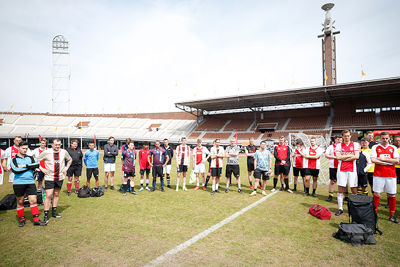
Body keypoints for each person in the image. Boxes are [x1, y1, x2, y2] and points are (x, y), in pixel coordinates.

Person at [10, 142, 46, 227]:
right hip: (18, 183)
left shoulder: (30, 158)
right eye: (23, 148)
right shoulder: (13, 159)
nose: (25, 150)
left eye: (26, 148)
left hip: (30, 182)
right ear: (19, 148)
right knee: (20, 201)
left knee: (33, 200)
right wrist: (30, 167)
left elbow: (37, 164)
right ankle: (22, 219)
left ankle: (36, 220)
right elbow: (16, 170)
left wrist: (24, 165)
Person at [36, 138, 72, 224]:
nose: (57, 146)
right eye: (56, 145)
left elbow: (70, 159)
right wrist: (41, 169)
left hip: (60, 177)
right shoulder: (46, 152)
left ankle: (54, 212)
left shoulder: (63, 152)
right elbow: (36, 160)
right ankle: (46, 214)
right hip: (49, 177)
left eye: (59, 145)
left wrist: (66, 167)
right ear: (52, 144)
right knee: (48, 195)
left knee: (56, 194)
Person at [371, 132, 400, 223]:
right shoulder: (375, 147)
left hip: (391, 175)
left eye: (387, 138)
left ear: (389, 138)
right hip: (378, 174)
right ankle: (374, 215)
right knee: (377, 194)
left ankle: (392, 215)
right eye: (383, 138)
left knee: (392, 195)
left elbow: (397, 161)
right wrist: (390, 162)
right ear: (380, 138)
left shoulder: (393, 148)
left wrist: (382, 159)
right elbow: (373, 160)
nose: (385, 140)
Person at [334, 130, 360, 216]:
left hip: (352, 169)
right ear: (342, 136)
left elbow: (356, 156)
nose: (347, 137)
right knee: (340, 188)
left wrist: (343, 157)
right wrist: (350, 156)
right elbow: (338, 157)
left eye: (348, 136)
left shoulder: (355, 144)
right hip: (341, 169)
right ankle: (340, 208)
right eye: (345, 136)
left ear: (350, 136)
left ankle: (355, 208)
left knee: (353, 188)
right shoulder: (338, 146)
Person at [325, 135, 342, 202]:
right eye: (338, 139)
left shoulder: (343, 147)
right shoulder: (331, 147)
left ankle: (346, 196)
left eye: (340, 140)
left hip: (342, 166)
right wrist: (335, 157)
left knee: (343, 182)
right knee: (332, 181)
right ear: (335, 140)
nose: (339, 141)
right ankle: (330, 195)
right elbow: (326, 155)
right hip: (333, 167)